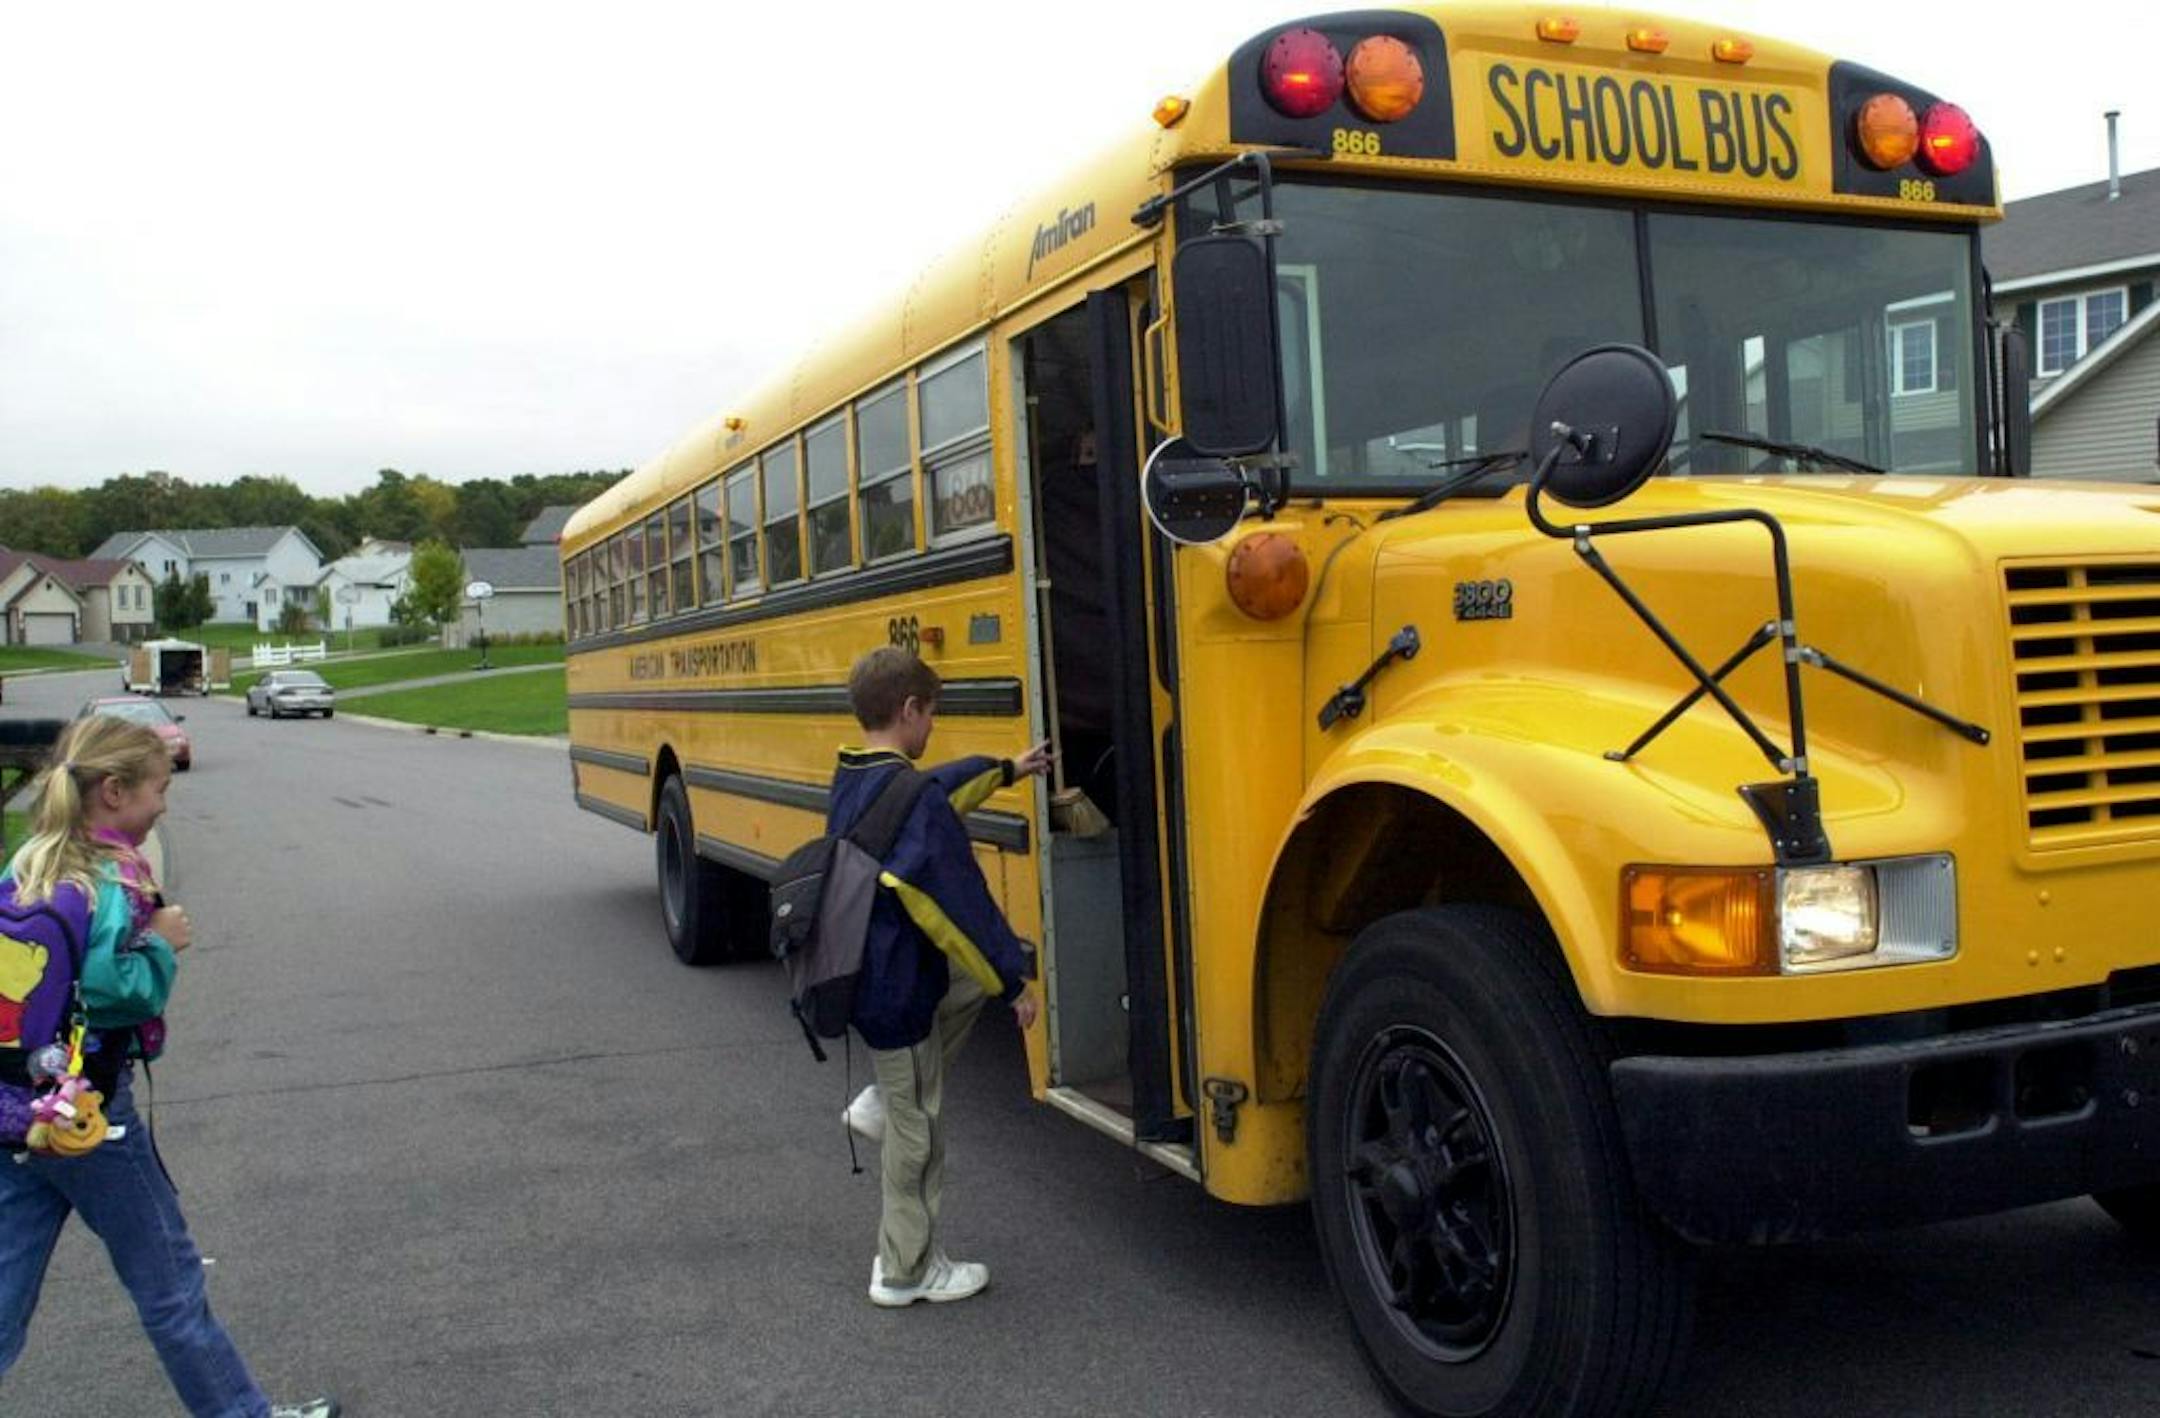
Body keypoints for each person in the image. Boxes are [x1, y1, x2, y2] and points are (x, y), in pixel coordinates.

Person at [0, 715, 338, 1418]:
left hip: (18, 1110)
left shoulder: (28, 861)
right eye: (159, 790)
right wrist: (160, 942)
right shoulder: (112, 877)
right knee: (171, 1287)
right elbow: (112, 991)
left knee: (4, 1291)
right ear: (116, 792)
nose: (164, 804)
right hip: (91, 1119)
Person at [832, 647, 1047, 1307]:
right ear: (909, 710)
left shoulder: (856, 777)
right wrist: (1015, 979)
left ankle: (876, 1099)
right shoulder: (915, 802)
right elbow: (956, 904)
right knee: (918, 1129)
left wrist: (1009, 769)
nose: (934, 729)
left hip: (864, 973)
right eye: (931, 716)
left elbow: (938, 787)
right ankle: (906, 1269)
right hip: (894, 992)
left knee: (960, 985)